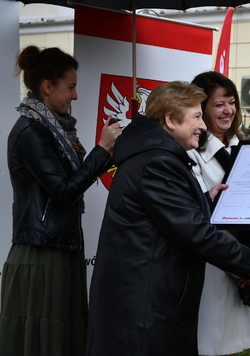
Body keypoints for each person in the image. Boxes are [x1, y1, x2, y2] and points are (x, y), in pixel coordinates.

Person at [85, 81, 250, 356]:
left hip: (148, 306)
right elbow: (195, 233)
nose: (202, 125)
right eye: (196, 117)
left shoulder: (158, 157)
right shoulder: (156, 163)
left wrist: (204, 200)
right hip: (146, 311)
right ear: (171, 120)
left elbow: (170, 216)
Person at [0, 46, 122, 356]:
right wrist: (102, 149)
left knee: (64, 337)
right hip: (41, 252)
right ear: (47, 87)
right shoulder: (31, 130)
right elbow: (64, 190)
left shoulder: (57, 130)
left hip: (61, 246)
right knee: (43, 341)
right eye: (71, 87)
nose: (76, 96)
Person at [188, 71, 250, 355]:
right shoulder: (191, 154)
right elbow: (200, 219)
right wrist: (241, 263)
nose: (228, 110)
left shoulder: (242, 147)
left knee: (235, 347)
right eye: (219, 104)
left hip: (247, 264)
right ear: (200, 109)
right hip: (215, 266)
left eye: (232, 102)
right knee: (210, 344)